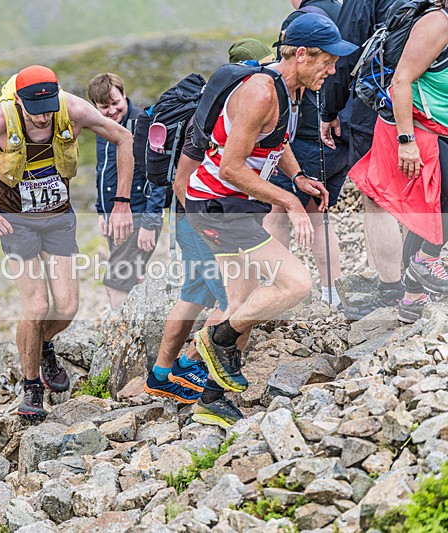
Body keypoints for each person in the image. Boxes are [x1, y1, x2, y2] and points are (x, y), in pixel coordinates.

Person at [0, 65, 134, 420]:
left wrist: (122, 202)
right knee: (37, 306)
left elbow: (124, 138)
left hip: (58, 218)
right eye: (34, 111)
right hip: (15, 222)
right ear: (20, 103)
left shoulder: (72, 108)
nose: (43, 118)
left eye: (48, 110)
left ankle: (41, 347)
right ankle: (31, 388)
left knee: (68, 307)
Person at [185, 14, 356, 428]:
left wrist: (297, 177)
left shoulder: (291, 89)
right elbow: (230, 167)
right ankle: (216, 338)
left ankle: (212, 397)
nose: (332, 70)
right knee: (296, 284)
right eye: (328, 61)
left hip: (233, 205)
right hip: (218, 204)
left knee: (243, 303)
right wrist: (291, 202)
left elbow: (277, 141)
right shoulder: (261, 92)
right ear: (301, 54)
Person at [143, 39, 274, 405]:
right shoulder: (219, 112)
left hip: (191, 216)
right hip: (204, 218)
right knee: (233, 300)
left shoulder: (219, 104)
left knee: (193, 293)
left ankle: (166, 372)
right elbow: (185, 174)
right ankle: (203, 376)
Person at [349, 0, 448, 323]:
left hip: (437, 128)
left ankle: (412, 297)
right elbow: (401, 80)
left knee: (429, 211)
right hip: (417, 130)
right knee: (431, 208)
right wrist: (406, 141)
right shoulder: (437, 23)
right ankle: (424, 262)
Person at [320, 0, 403, 319]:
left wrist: (330, 110)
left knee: (377, 201)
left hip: (376, 111)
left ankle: (391, 288)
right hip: (428, 108)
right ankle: (418, 282)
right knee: (414, 195)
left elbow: (346, 55)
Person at [264, 1, 347, 308]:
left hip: (311, 137)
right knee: (319, 215)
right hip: (342, 134)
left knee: (278, 213)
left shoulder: (301, 22)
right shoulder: (342, 12)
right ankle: (332, 293)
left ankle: (276, 289)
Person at [87, 73, 165, 308]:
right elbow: (103, 171)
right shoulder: (103, 127)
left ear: (124, 95)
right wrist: (102, 212)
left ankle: (121, 339)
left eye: (115, 103)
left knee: (115, 282)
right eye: (104, 107)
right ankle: (140, 333)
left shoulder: (143, 124)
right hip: (114, 217)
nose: (111, 110)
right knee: (132, 279)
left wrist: (150, 224)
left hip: (138, 217)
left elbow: (157, 175)